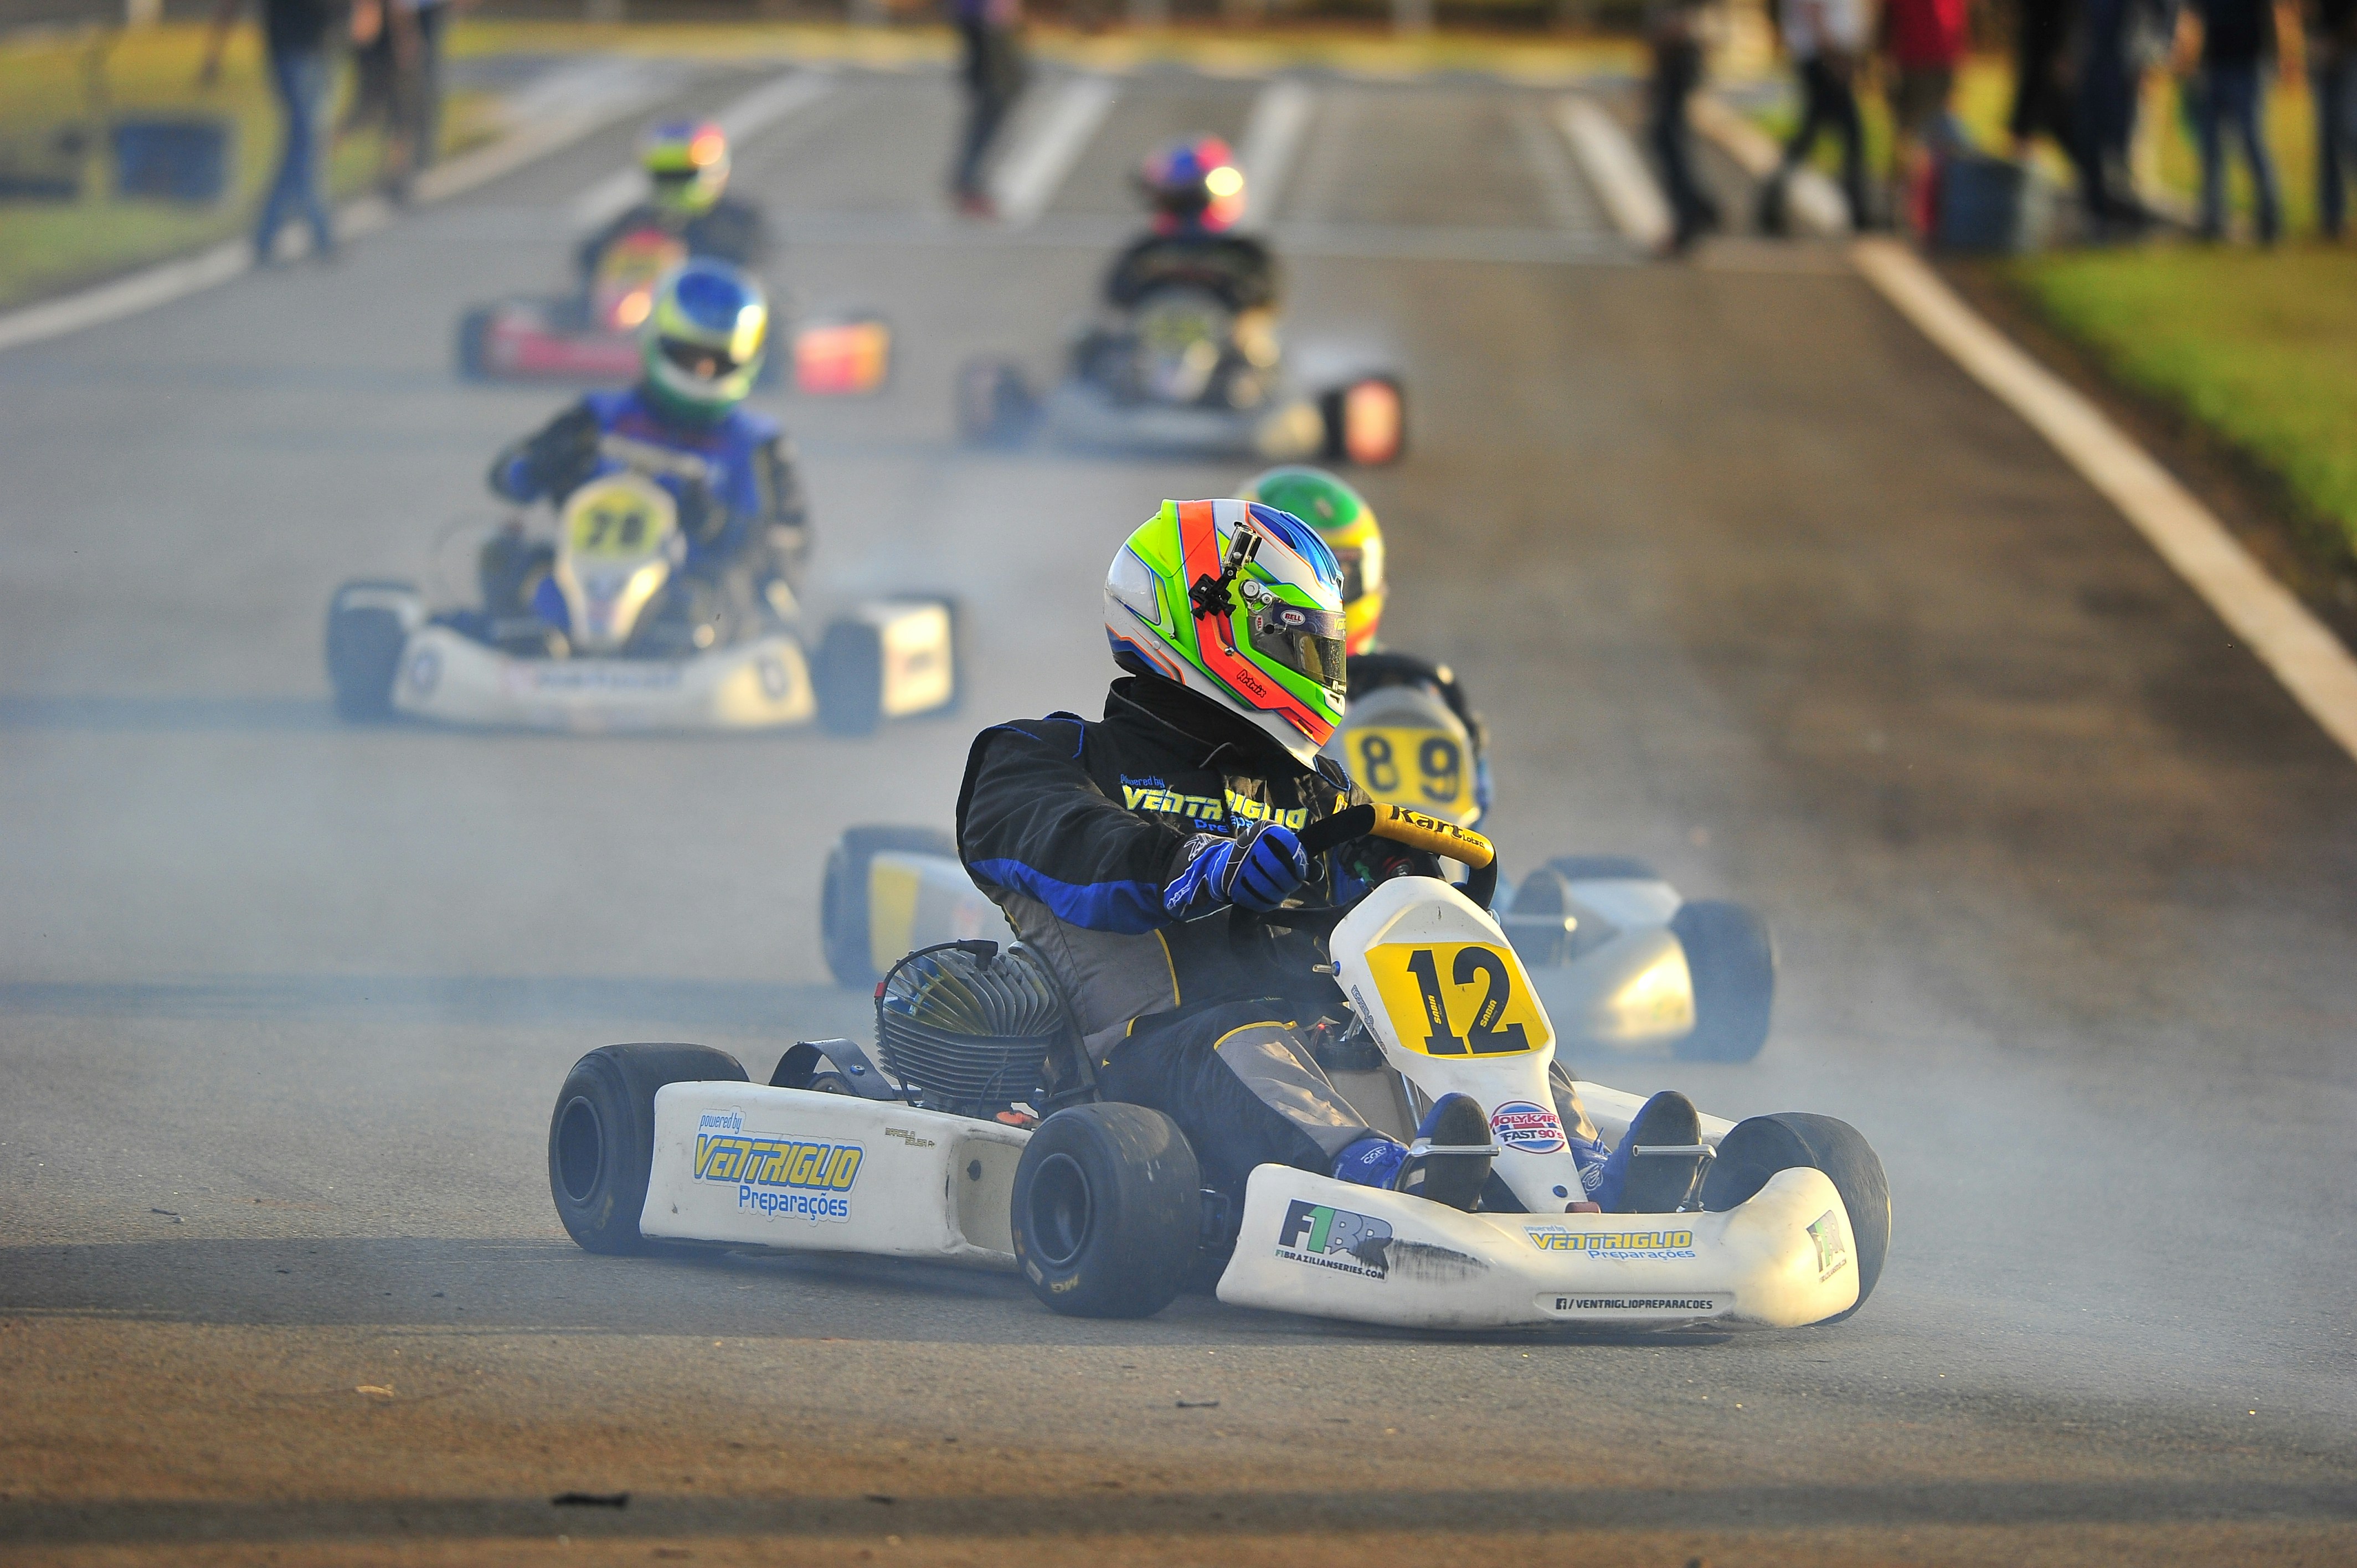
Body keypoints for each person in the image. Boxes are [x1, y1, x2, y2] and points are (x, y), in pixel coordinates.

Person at [955, 499, 1699, 1214]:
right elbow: (1073, 844)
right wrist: (1200, 863)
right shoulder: (1041, 757)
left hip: (1332, 1040)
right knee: (1243, 1037)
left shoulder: (1317, 791)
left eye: (1322, 642)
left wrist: (1401, 879)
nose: (1316, 661)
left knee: (1480, 1023)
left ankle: (1584, 1172)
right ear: (1204, 624)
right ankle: (1374, 1178)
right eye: (1295, 638)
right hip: (1154, 1065)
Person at [478, 260, 809, 653]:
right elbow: (508, 478)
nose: (702, 373)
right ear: (657, 340)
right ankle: (532, 644)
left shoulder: (758, 444)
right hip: (586, 586)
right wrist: (547, 461)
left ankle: (674, 655)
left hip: (691, 599)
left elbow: (785, 553)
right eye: (688, 357)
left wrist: (716, 525)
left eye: (717, 363)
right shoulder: (599, 417)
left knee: (719, 593)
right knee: (504, 557)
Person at [1239, 466, 1493, 824]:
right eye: (1305, 575)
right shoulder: (1234, 685)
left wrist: (1469, 745)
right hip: (1283, 853)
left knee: (1498, 879)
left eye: (1342, 573)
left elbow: (1471, 813)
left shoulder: (1415, 689)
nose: (1328, 592)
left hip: (1404, 858)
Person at [200, 0, 339, 263]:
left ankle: (271, 232)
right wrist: (214, 53)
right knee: (305, 145)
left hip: (321, 49)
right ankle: (318, 230)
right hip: (292, 51)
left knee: (304, 146)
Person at [576, 120, 772, 283]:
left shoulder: (738, 221)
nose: (673, 184)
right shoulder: (637, 220)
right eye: (666, 176)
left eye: (682, 175)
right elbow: (591, 257)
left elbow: (750, 268)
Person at [1103, 136, 1277, 316]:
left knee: (1255, 342)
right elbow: (1118, 296)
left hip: (1225, 336)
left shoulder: (1244, 251)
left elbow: (1266, 299)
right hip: (1153, 336)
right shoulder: (1148, 249)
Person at [1760, 0, 1870, 231]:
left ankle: (1771, 205)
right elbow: (1813, 8)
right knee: (1849, 133)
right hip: (1822, 57)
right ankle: (1860, 208)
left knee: (1822, 134)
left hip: (1821, 55)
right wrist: (1832, 55)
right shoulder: (1826, 53)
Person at [2192, 0, 2282, 240]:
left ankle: (2269, 218)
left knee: (2252, 142)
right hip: (2213, 66)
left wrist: (2275, 61)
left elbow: (2271, 15)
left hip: (2248, 66)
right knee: (2210, 147)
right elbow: (2196, 18)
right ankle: (2213, 221)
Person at [1880, 0, 1969, 235]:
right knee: (1913, 141)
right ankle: (1904, 209)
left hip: (1933, 60)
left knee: (1928, 140)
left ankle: (1931, 211)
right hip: (1919, 61)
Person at [1646, 0, 1722, 253]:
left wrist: (1676, 28)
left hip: (1679, 52)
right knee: (1666, 137)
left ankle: (1691, 215)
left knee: (1667, 138)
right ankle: (1701, 208)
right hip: (1674, 53)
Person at [951, 0, 1027, 218]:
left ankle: (969, 184)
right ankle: (969, 185)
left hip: (984, 19)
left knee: (996, 100)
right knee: (995, 100)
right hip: (987, 20)